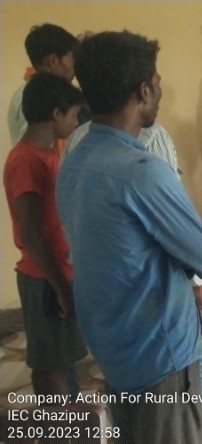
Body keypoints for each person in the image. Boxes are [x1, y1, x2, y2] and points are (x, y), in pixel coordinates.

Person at [57, 30, 202, 444]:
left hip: (114, 350)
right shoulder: (140, 173)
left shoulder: (75, 161)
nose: (159, 89)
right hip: (160, 356)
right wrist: (196, 232)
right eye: (156, 82)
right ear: (143, 92)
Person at [3, 73, 88, 402]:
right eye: (74, 114)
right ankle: (55, 427)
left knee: (62, 361)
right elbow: (31, 232)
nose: (77, 122)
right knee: (50, 366)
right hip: (44, 278)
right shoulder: (27, 160)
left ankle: (65, 423)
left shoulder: (46, 156)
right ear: (56, 113)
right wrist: (61, 288)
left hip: (56, 274)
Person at [7, 24, 79, 147]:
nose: (75, 67)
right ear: (54, 60)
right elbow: (33, 150)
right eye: (73, 58)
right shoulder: (32, 99)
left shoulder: (49, 95)